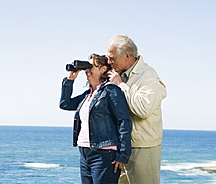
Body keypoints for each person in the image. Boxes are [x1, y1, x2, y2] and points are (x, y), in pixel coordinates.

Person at [60, 54, 132, 184]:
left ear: (104, 69)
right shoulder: (88, 94)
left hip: (104, 154)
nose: (87, 69)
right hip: (84, 152)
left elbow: (124, 121)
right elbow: (65, 104)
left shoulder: (110, 90)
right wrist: (70, 79)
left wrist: (123, 155)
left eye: (91, 66)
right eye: (86, 67)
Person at [106, 34, 167, 184]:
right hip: (122, 147)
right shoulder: (118, 74)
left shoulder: (148, 75)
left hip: (143, 147)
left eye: (112, 58)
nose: (109, 62)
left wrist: (120, 85)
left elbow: (143, 110)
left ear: (127, 56)